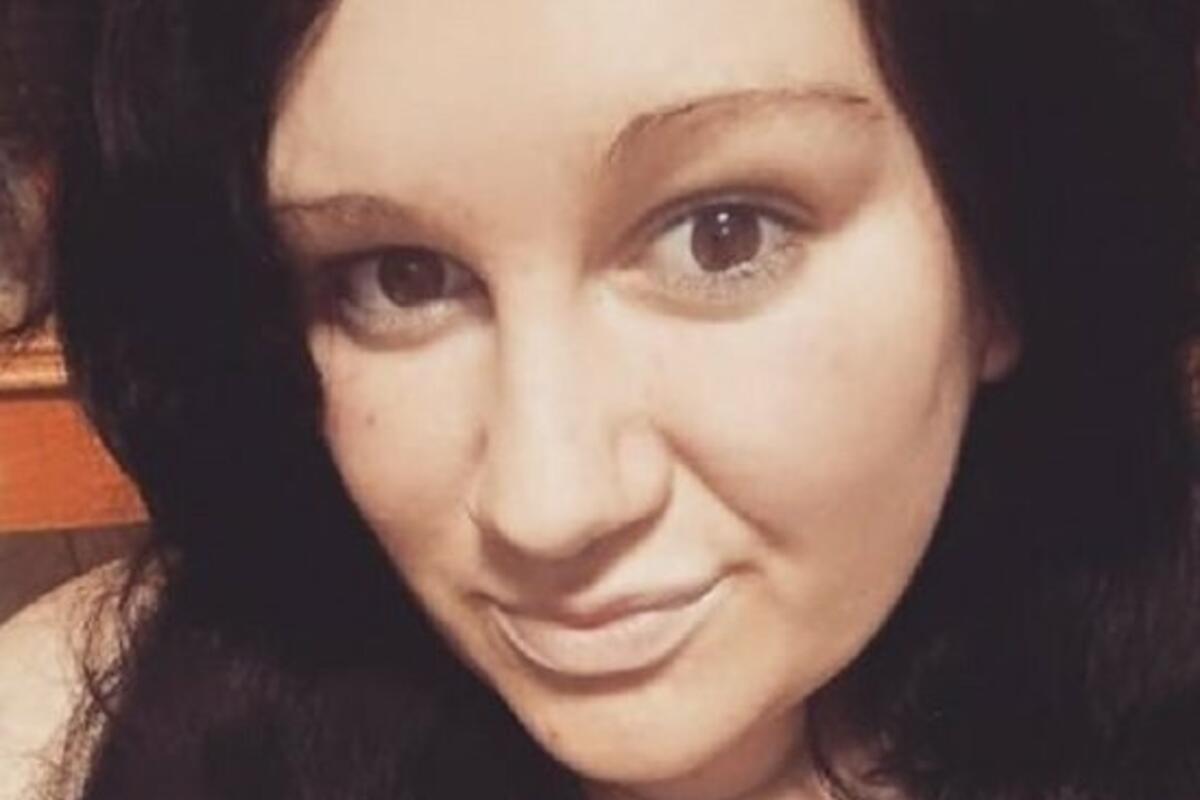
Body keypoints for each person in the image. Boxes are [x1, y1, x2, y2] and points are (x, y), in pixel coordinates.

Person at [0, 1, 1197, 798]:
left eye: (724, 236)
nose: (548, 503)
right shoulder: (58, 734)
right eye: (400, 277)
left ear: (1002, 254)